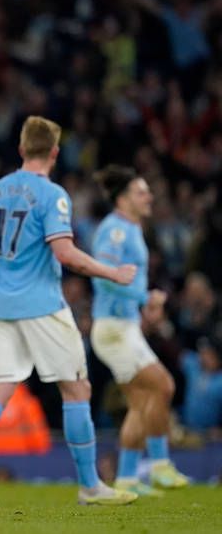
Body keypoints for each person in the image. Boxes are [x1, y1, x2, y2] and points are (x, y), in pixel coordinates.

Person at [0, 117, 139, 507]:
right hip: (43, 305)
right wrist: (112, 271)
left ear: (22, 149)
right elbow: (64, 253)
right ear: (55, 153)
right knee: (76, 388)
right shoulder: (53, 195)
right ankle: (91, 486)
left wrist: (5, 279)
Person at [90, 165, 190, 494]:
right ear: (123, 199)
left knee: (140, 403)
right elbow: (102, 274)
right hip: (113, 329)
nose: (149, 196)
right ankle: (160, 464)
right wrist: (144, 296)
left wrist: (145, 303)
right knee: (163, 385)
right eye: (140, 191)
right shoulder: (116, 230)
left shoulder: (131, 228)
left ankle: (128, 478)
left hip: (126, 325)